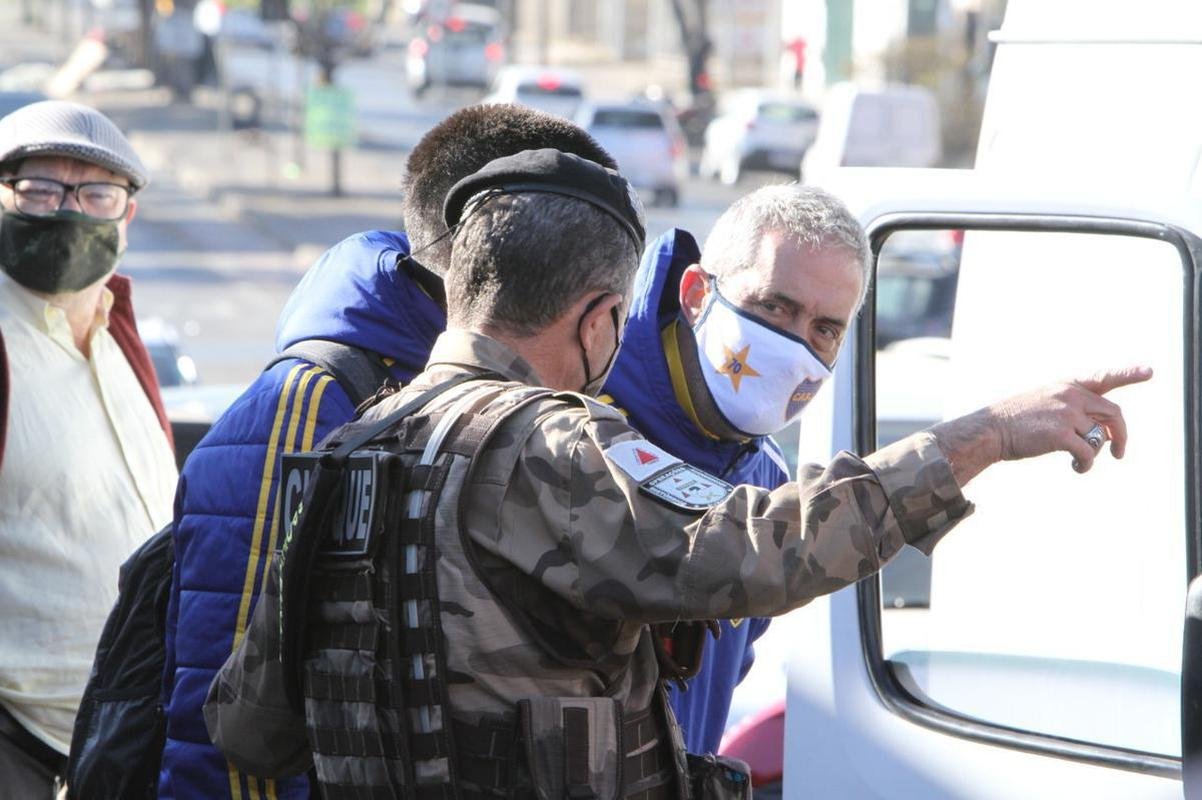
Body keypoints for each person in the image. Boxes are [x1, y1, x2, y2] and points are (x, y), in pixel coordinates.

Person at [204, 150, 1150, 798]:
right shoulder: (550, 442)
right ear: (598, 317)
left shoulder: (347, 453)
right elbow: (753, 552)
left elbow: (248, 725)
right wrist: (980, 439)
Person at [158, 104, 618, 800]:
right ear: (490, 242)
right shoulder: (311, 406)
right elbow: (230, 732)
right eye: (574, 244)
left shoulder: (518, 398)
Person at [600, 184, 867, 754]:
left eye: (825, 329)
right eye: (774, 306)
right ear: (697, 293)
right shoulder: (581, 417)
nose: (794, 345)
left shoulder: (765, 474)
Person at [0, 100, 175, 798]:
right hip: (19, 745)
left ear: (125, 216)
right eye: (42, 188)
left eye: (96, 193)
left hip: (123, 741)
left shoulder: (118, 337)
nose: (69, 210)